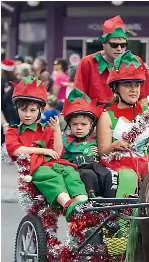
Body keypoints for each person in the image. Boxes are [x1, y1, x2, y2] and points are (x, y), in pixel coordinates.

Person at [5, 76, 88, 221]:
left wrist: (56, 130)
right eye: (23, 110)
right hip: (34, 168)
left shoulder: (46, 129)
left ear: (40, 110)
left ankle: (83, 203)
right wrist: (43, 150)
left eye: (32, 110)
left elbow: (58, 152)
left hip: (54, 164)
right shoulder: (14, 131)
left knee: (71, 172)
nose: (28, 114)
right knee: (49, 176)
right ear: (17, 109)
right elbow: (15, 150)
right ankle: (68, 205)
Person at [97, 51, 149, 198]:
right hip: (119, 163)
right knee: (128, 177)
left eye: (137, 85)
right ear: (116, 88)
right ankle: (122, 219)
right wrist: (114, 146)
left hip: (148, 160)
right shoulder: (106, 116)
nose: (134, 90)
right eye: (128, 85)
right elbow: (103, 152)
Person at [74, 15, 149, 105]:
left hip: (128, 116)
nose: (119, 48)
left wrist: (143, 118)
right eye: (114, 45)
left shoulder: (135, 61)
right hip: (96, 116)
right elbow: (79, 97)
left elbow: (142, 97)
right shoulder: (87, 63)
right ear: (104, 44)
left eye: (123, 45)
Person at [61, 89, 120, 198]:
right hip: (78, 169)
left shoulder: (95, 139)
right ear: (69, 125)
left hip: (95, 165)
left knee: (110, 173)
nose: (79, 128)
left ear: (91, 125)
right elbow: (65, 157)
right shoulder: (66, 140)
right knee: (89, 175)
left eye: (83, 124)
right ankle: (91, 203)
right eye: (75, 124)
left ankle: (110, 202)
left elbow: (104, 149)